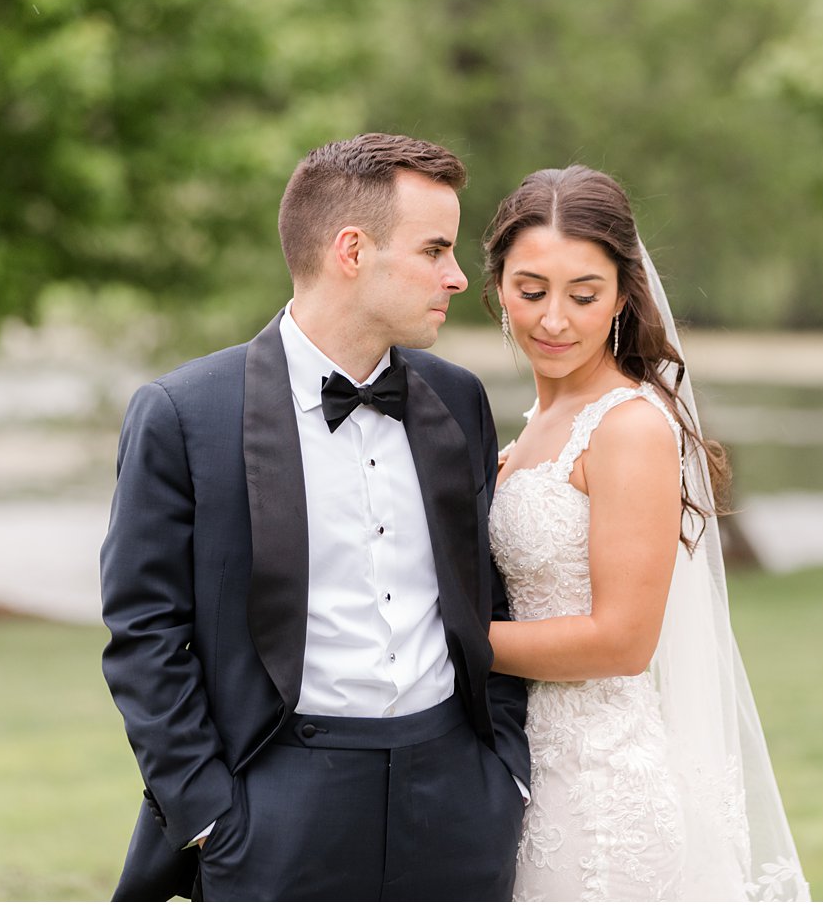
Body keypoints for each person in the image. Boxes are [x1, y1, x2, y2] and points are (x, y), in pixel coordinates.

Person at [98, 133, 530, 902]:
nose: (459, 276)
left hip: (458, 803)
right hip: (278, 811)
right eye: (434, 249)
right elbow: (145, 636)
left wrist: (504, 778)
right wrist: (209, 818)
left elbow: (488, 602)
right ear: (352, 250)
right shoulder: (183, 414)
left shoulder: (459, 401)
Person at [482, 166, 810, 902]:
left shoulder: (628, 425)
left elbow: (622, 640)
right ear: (498, 285)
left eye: (584, 294)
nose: (554, 319)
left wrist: (450, 638)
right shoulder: (537, 427)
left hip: (598, 795)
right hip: (531, 771)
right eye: (531, 290)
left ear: (624, 296)